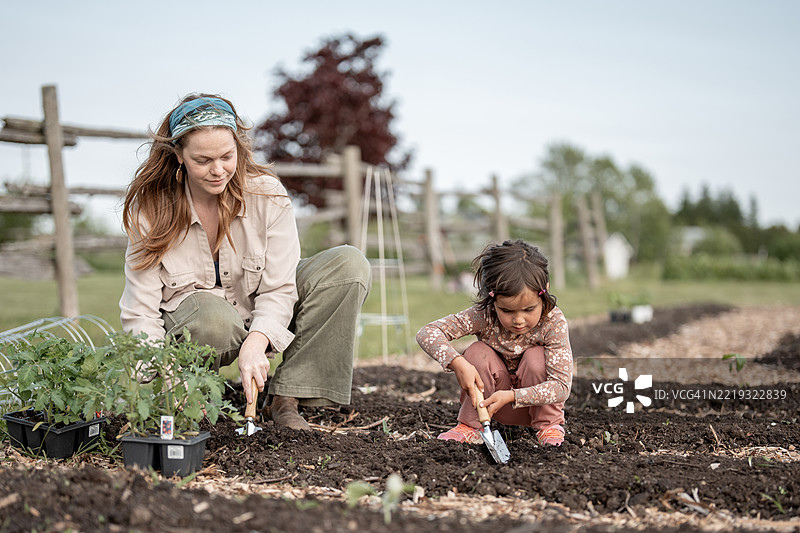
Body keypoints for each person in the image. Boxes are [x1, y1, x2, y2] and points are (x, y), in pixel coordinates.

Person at [120, 93, 371, 430]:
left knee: (348, 265)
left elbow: (281, 286)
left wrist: (257, 342)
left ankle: (286, 396)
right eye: (203, 160)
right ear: (178, 155)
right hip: (202, 327)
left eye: (227, 156)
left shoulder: (267, 194)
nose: (218, 170)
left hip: (259, 307)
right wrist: (156, 379)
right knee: (213, 318)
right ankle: (194, 393)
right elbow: (141, 311)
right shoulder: (151, 209)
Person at [416, 239, 572, 446]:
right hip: (489, 407)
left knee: (537, 358)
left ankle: (549, 427)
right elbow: (427, 333)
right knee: (477, 352)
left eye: (529, 309)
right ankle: (470, 426)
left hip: (533, 405)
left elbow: (561, 386)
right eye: (507, 310)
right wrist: (457, 362)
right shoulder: (485, 315)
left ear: (544, 290)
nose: (518, 320)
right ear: (492, 298)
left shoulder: (553, 322)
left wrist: (512, 396)